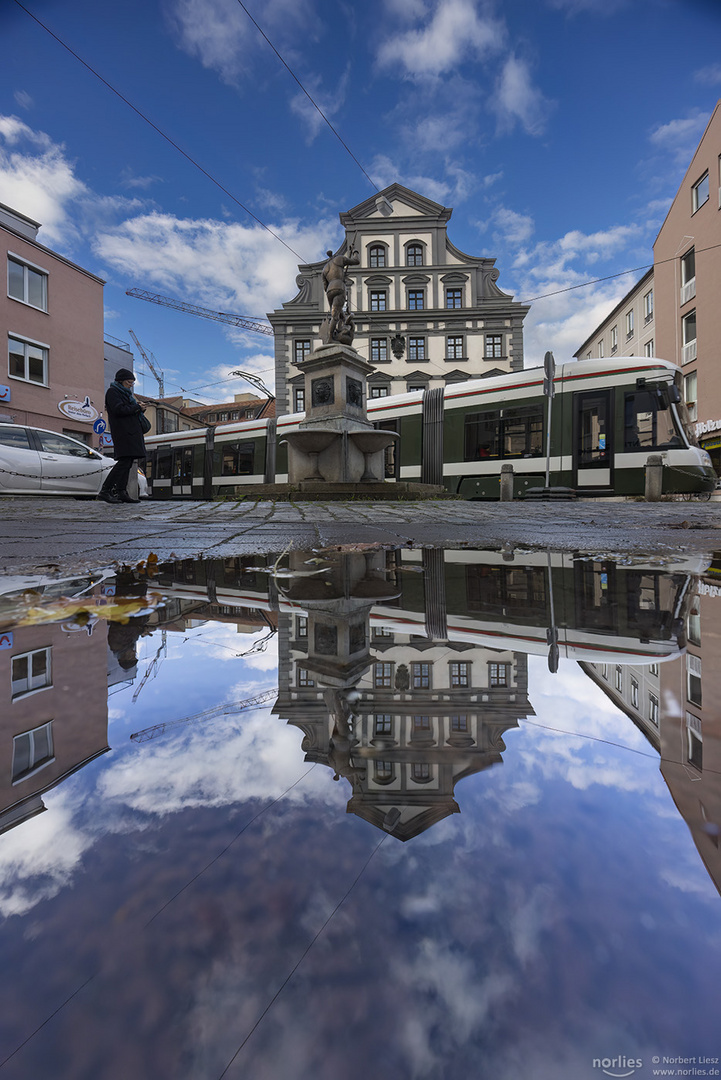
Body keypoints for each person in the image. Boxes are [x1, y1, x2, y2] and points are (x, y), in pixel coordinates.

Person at [98, 368, 149, 504]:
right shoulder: (113, 392)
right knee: (124, 462)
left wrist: (139, 407)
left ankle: (121, 492)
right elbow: (118, 410)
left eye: (132, 382)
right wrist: (138, 407)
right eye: (129, 382)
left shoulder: (125, 394)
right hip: (124, 432)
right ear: (120, 381)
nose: (131, 385)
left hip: (130, 432)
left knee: (128, 462)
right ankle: (105, 490)